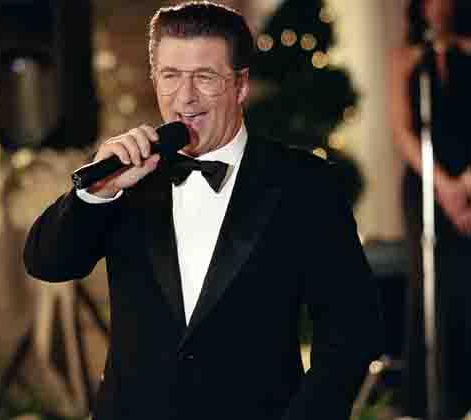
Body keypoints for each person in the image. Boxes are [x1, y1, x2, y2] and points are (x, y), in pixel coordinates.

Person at [24, 2, 382, 419]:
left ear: (240, 85)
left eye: (205, 77)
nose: (185, 97)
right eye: (171, 76)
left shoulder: (306, 184)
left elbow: (350, 330)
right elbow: (47, 262)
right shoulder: (126, 175)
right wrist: (98, 193)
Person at [389, 0, 471, 417]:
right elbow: (403, 131)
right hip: (426, 186)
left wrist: (466, 185)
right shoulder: (406, 58)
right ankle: (434, 404)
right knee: (433, 287)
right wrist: (443, 186)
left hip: (468, 180)